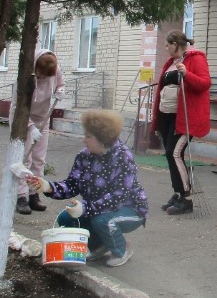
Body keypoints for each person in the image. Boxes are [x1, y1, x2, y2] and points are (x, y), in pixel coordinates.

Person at [27, 109, 147, 267]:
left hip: (130, 209)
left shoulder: (123, 157)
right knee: (66, 218)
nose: (84, 141)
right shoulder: (84, 155)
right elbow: (72, 184)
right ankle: (99, 245)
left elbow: (117, 197)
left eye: (88, 137)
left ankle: (122, 249)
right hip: (98, 208)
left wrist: (85, 208)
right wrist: (48, 187)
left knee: (102, 220)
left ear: (103, 139)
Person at [151, 30, 211, 215]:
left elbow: (205, 83)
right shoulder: (171, 63)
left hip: (185, 117)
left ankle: (187, 198)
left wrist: (186, 74)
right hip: (168, 116)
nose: (166, 48)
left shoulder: (196, 58)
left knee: (175, 153)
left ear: (175, 44)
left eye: (167, 45)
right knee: (170, 155)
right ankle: (177, 193)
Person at [12, 48, 65, 215]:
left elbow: (60, 84)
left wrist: (60, 91)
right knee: (25, 159)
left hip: (42, 118)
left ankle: (34, 194)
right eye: (40, 75)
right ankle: (21, 196)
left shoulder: (54, 70)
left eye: (46, 76)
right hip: (23, 118)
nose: (42, 78)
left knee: (38, 159)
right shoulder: (24, 77)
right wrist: (30, 127)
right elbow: (16, 107)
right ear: (36, 67)